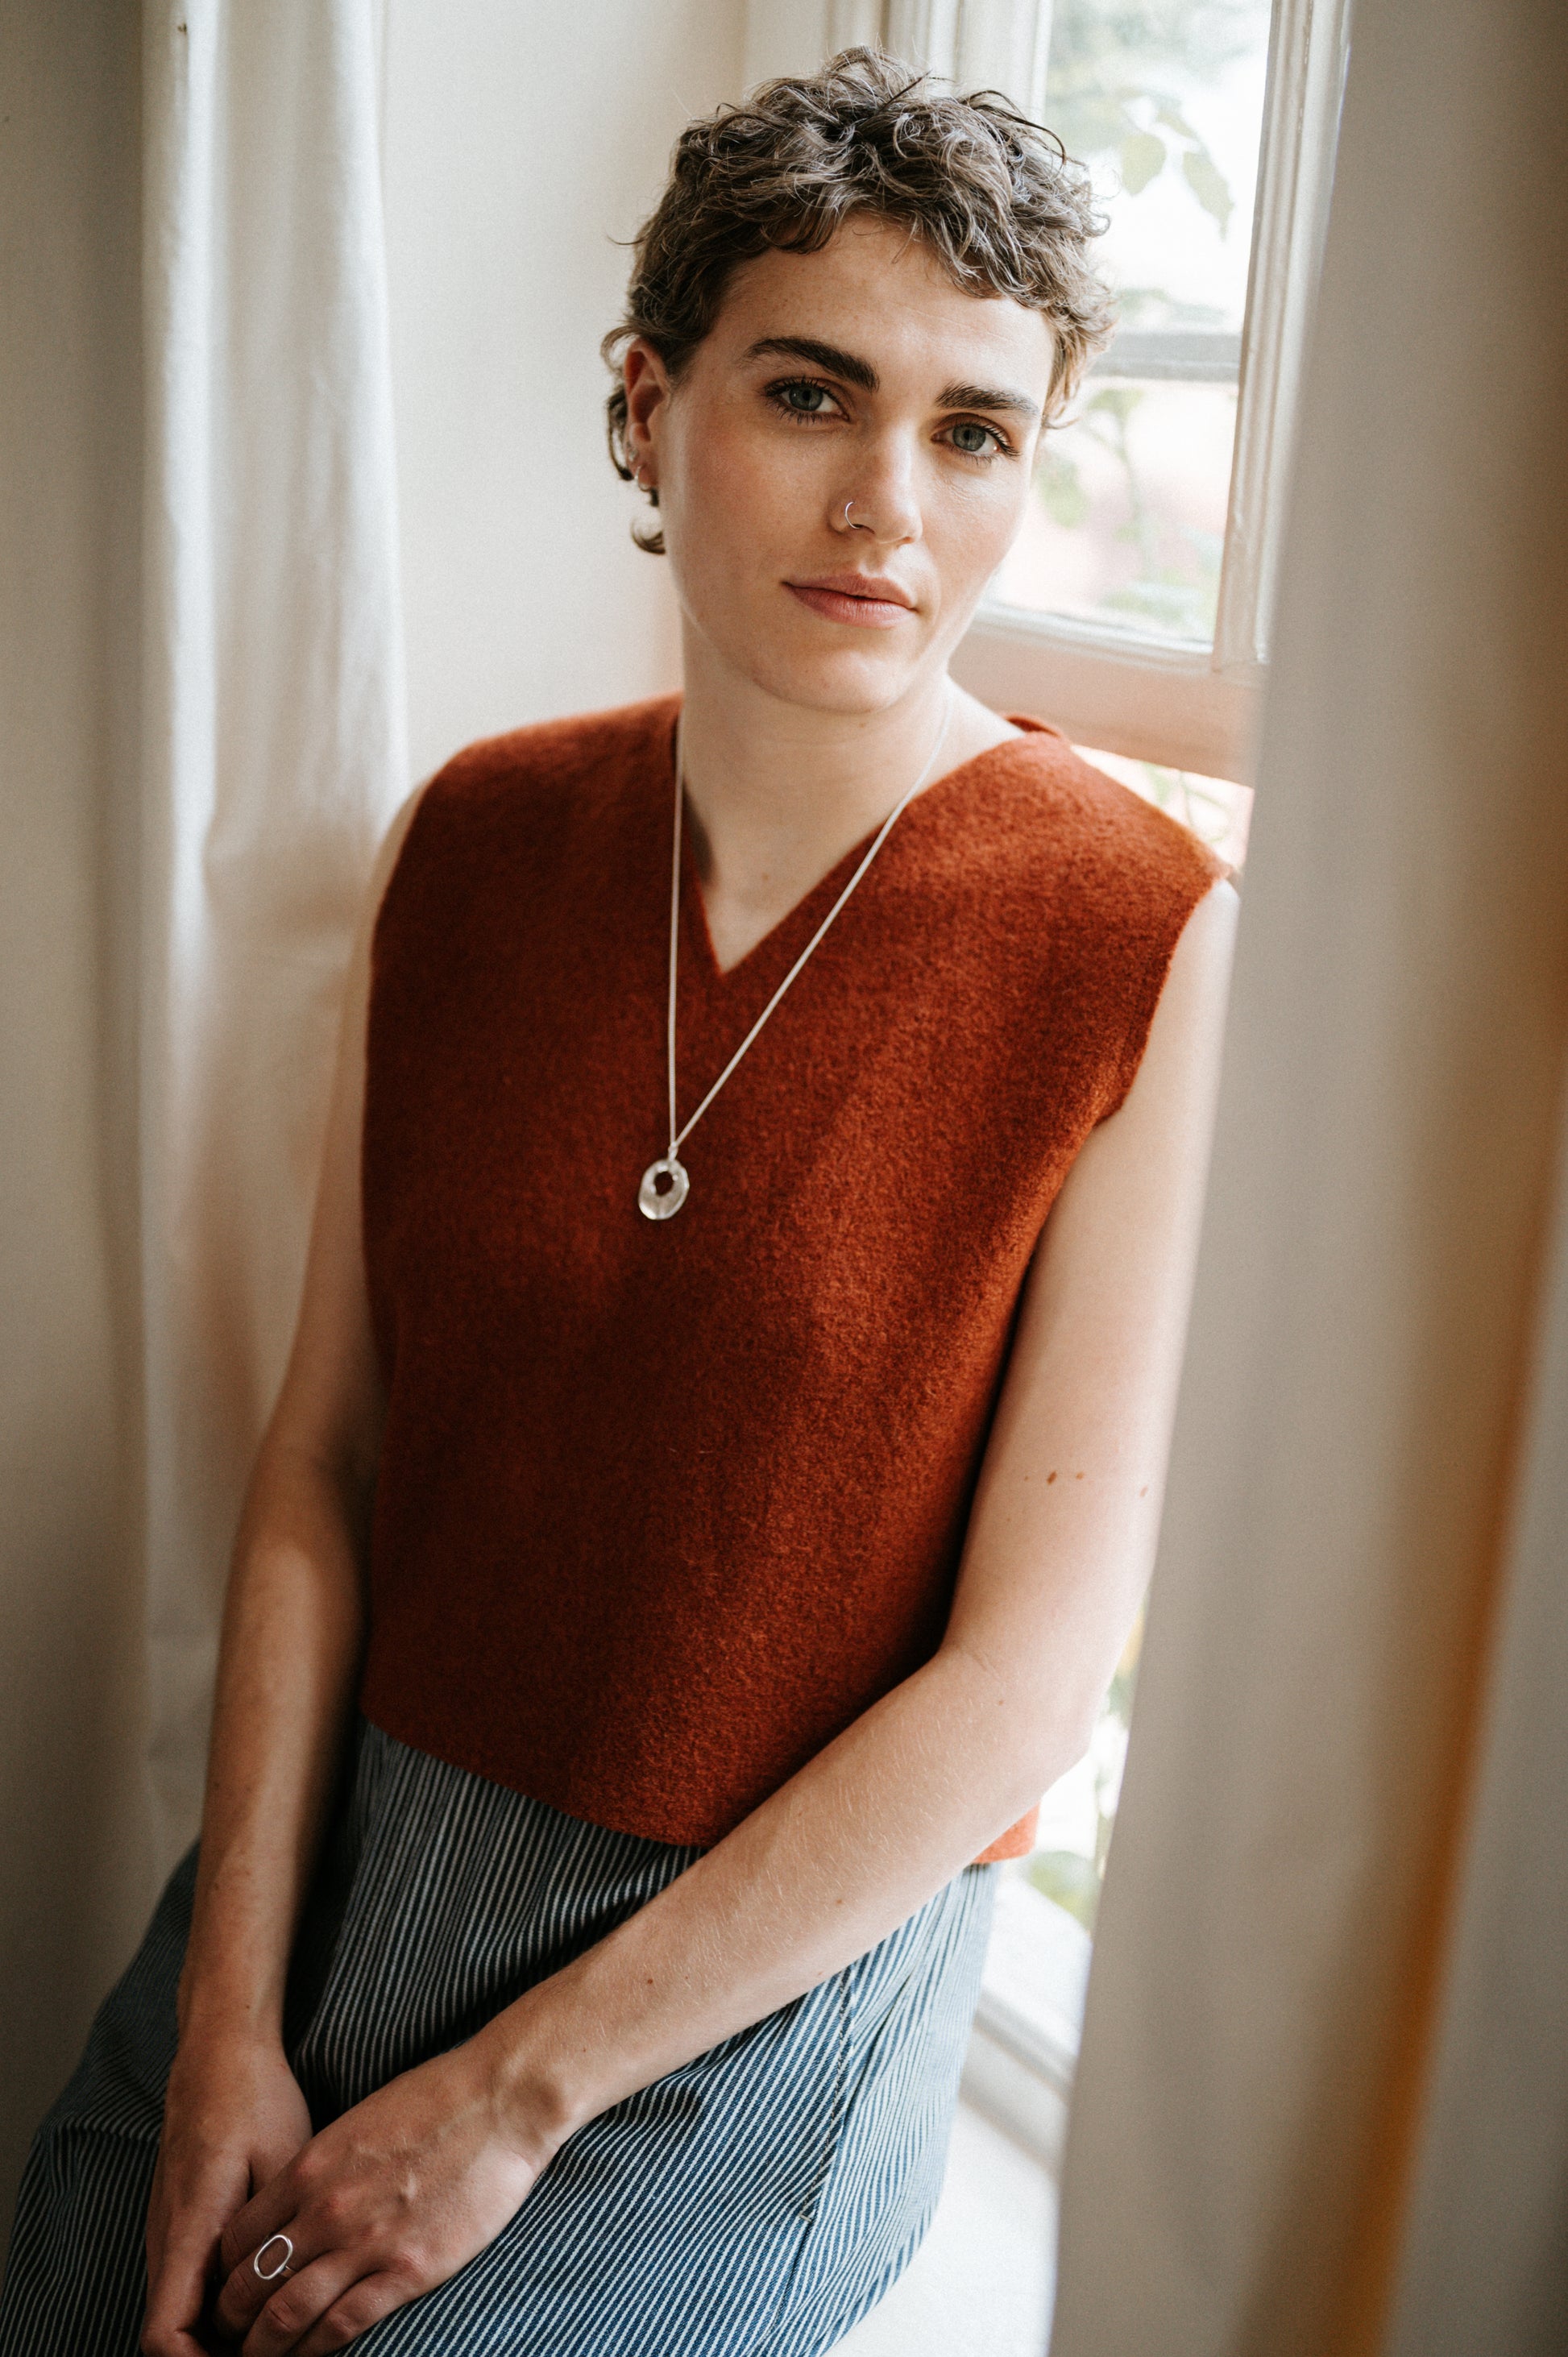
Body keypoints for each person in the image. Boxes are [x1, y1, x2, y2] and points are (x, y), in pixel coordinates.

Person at [0, 48, 1237, 2357]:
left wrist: (510, 2097)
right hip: (349, 1867)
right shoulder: (471, 840)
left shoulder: (1137, 927)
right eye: (807, 390)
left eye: (972, 430)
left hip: (746, 1992)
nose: (887, 499)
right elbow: (322, 1469)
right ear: (648, 409)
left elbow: (1021, 1681)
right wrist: (223, 2022)